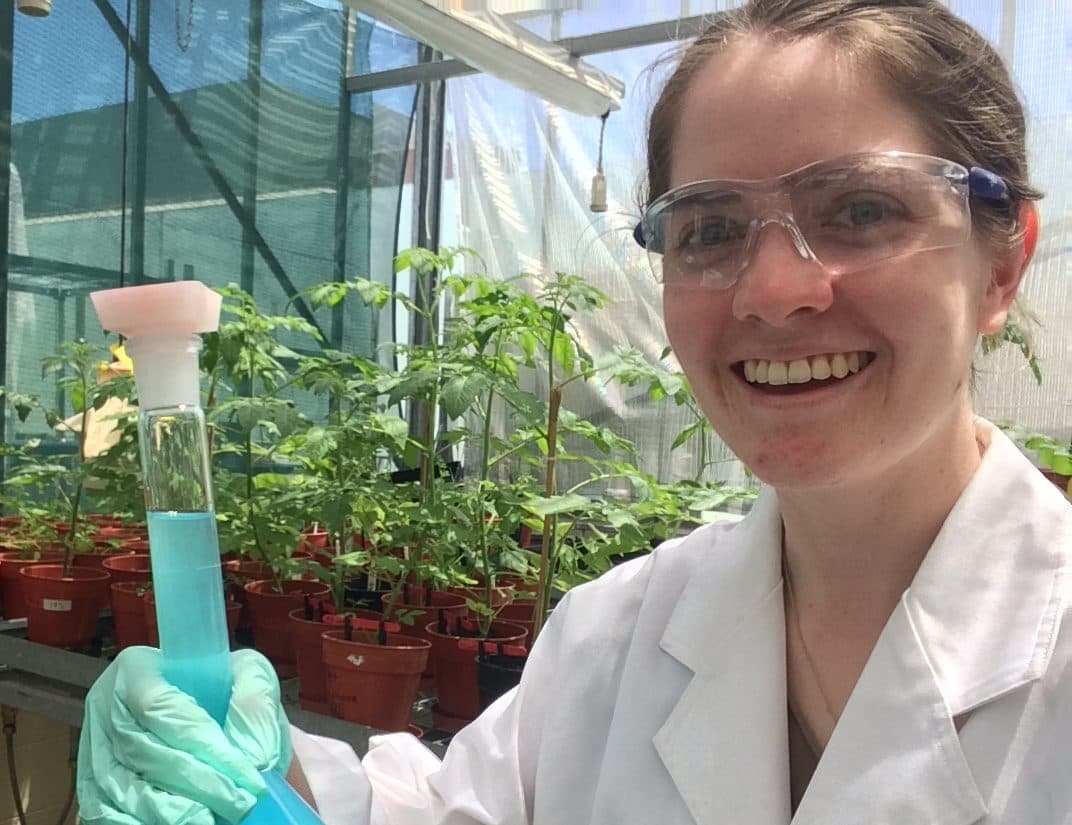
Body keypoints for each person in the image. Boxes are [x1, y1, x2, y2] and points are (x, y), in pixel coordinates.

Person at [77, 1, 1072, 822]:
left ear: (1001, 262)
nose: (773, 290)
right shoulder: (613, 637)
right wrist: (252, 777)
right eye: (709, 229)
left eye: (859, 209)